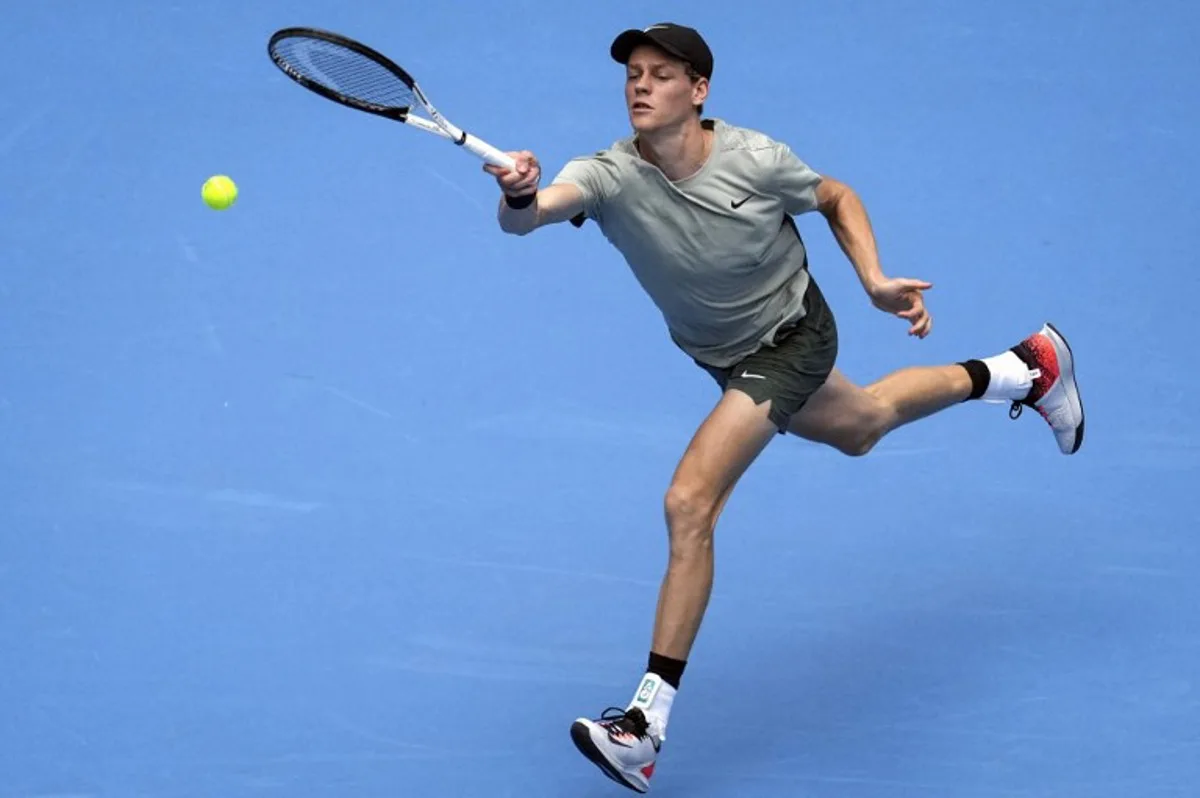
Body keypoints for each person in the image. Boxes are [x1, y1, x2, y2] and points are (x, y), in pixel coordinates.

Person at [484, 22, 1085, 793]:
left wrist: (872, 278)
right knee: (862, 425)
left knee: (689, 502)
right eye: (632, 72)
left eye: (661, 74)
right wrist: (519, 192)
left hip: (792, 337)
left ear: (698, 91)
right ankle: (1027, 369)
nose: (640, 85)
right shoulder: (606, 175)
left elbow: (835, 195)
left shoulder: (752, 158)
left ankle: (643, 727)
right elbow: (530, 216)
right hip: (723, 355)